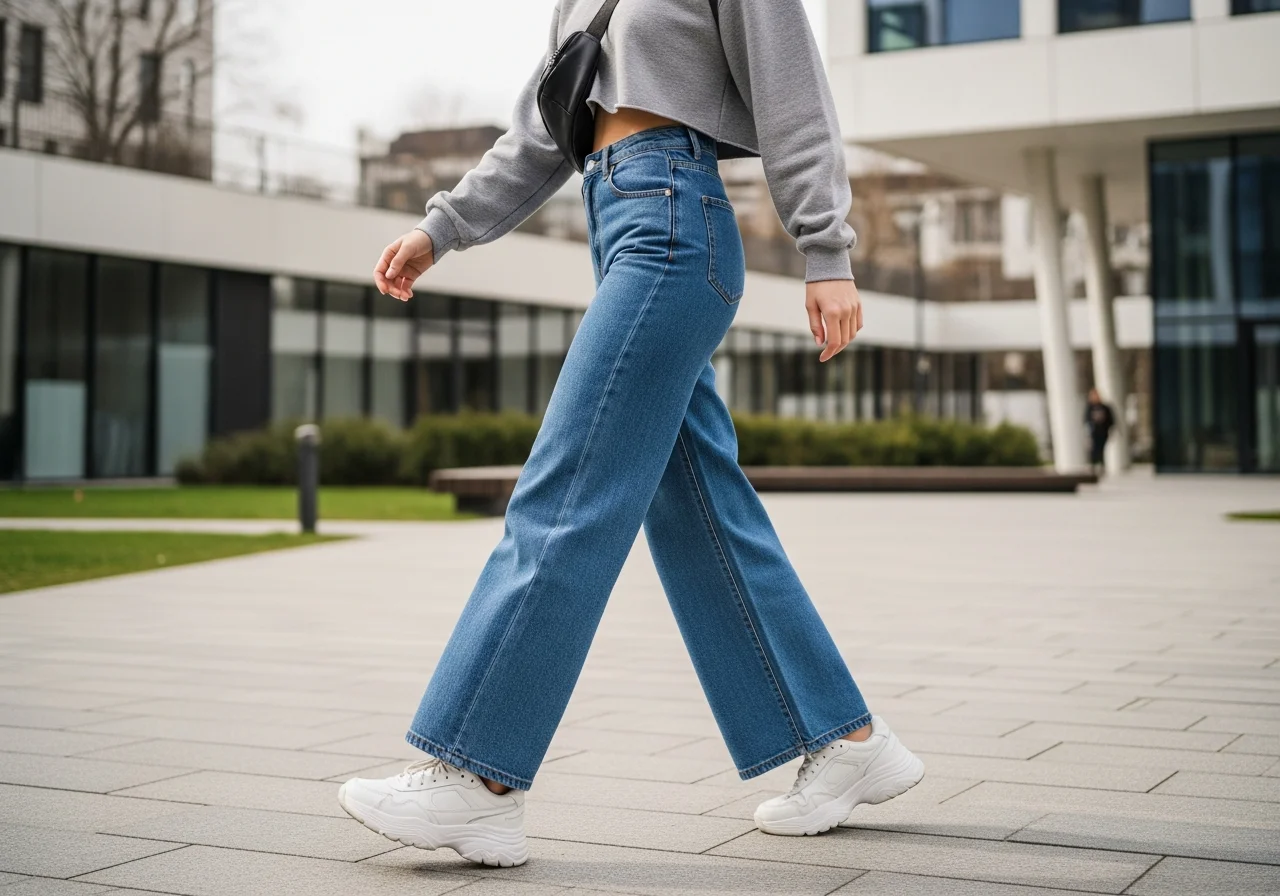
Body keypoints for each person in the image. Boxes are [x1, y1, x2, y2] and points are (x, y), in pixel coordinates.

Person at [338, 0, 924, 867]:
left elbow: (794, 94)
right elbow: (541, 133)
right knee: (702, 516)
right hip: (622, 224)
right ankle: (846, 741)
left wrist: (825, 252)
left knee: (566, 491)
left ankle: (480, 780)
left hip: (676, 227)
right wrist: (442, 227)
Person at [1085, 388, 1116, 477]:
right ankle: (1093, 467)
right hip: (1093, 432)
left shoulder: (1105, 407)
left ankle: (1102, 466)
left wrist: (1110, 429)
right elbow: (1086, 419)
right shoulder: (1089, 407)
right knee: (1093, 450)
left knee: (1101, 449)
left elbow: (1111, 420)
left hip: (1103, 432)